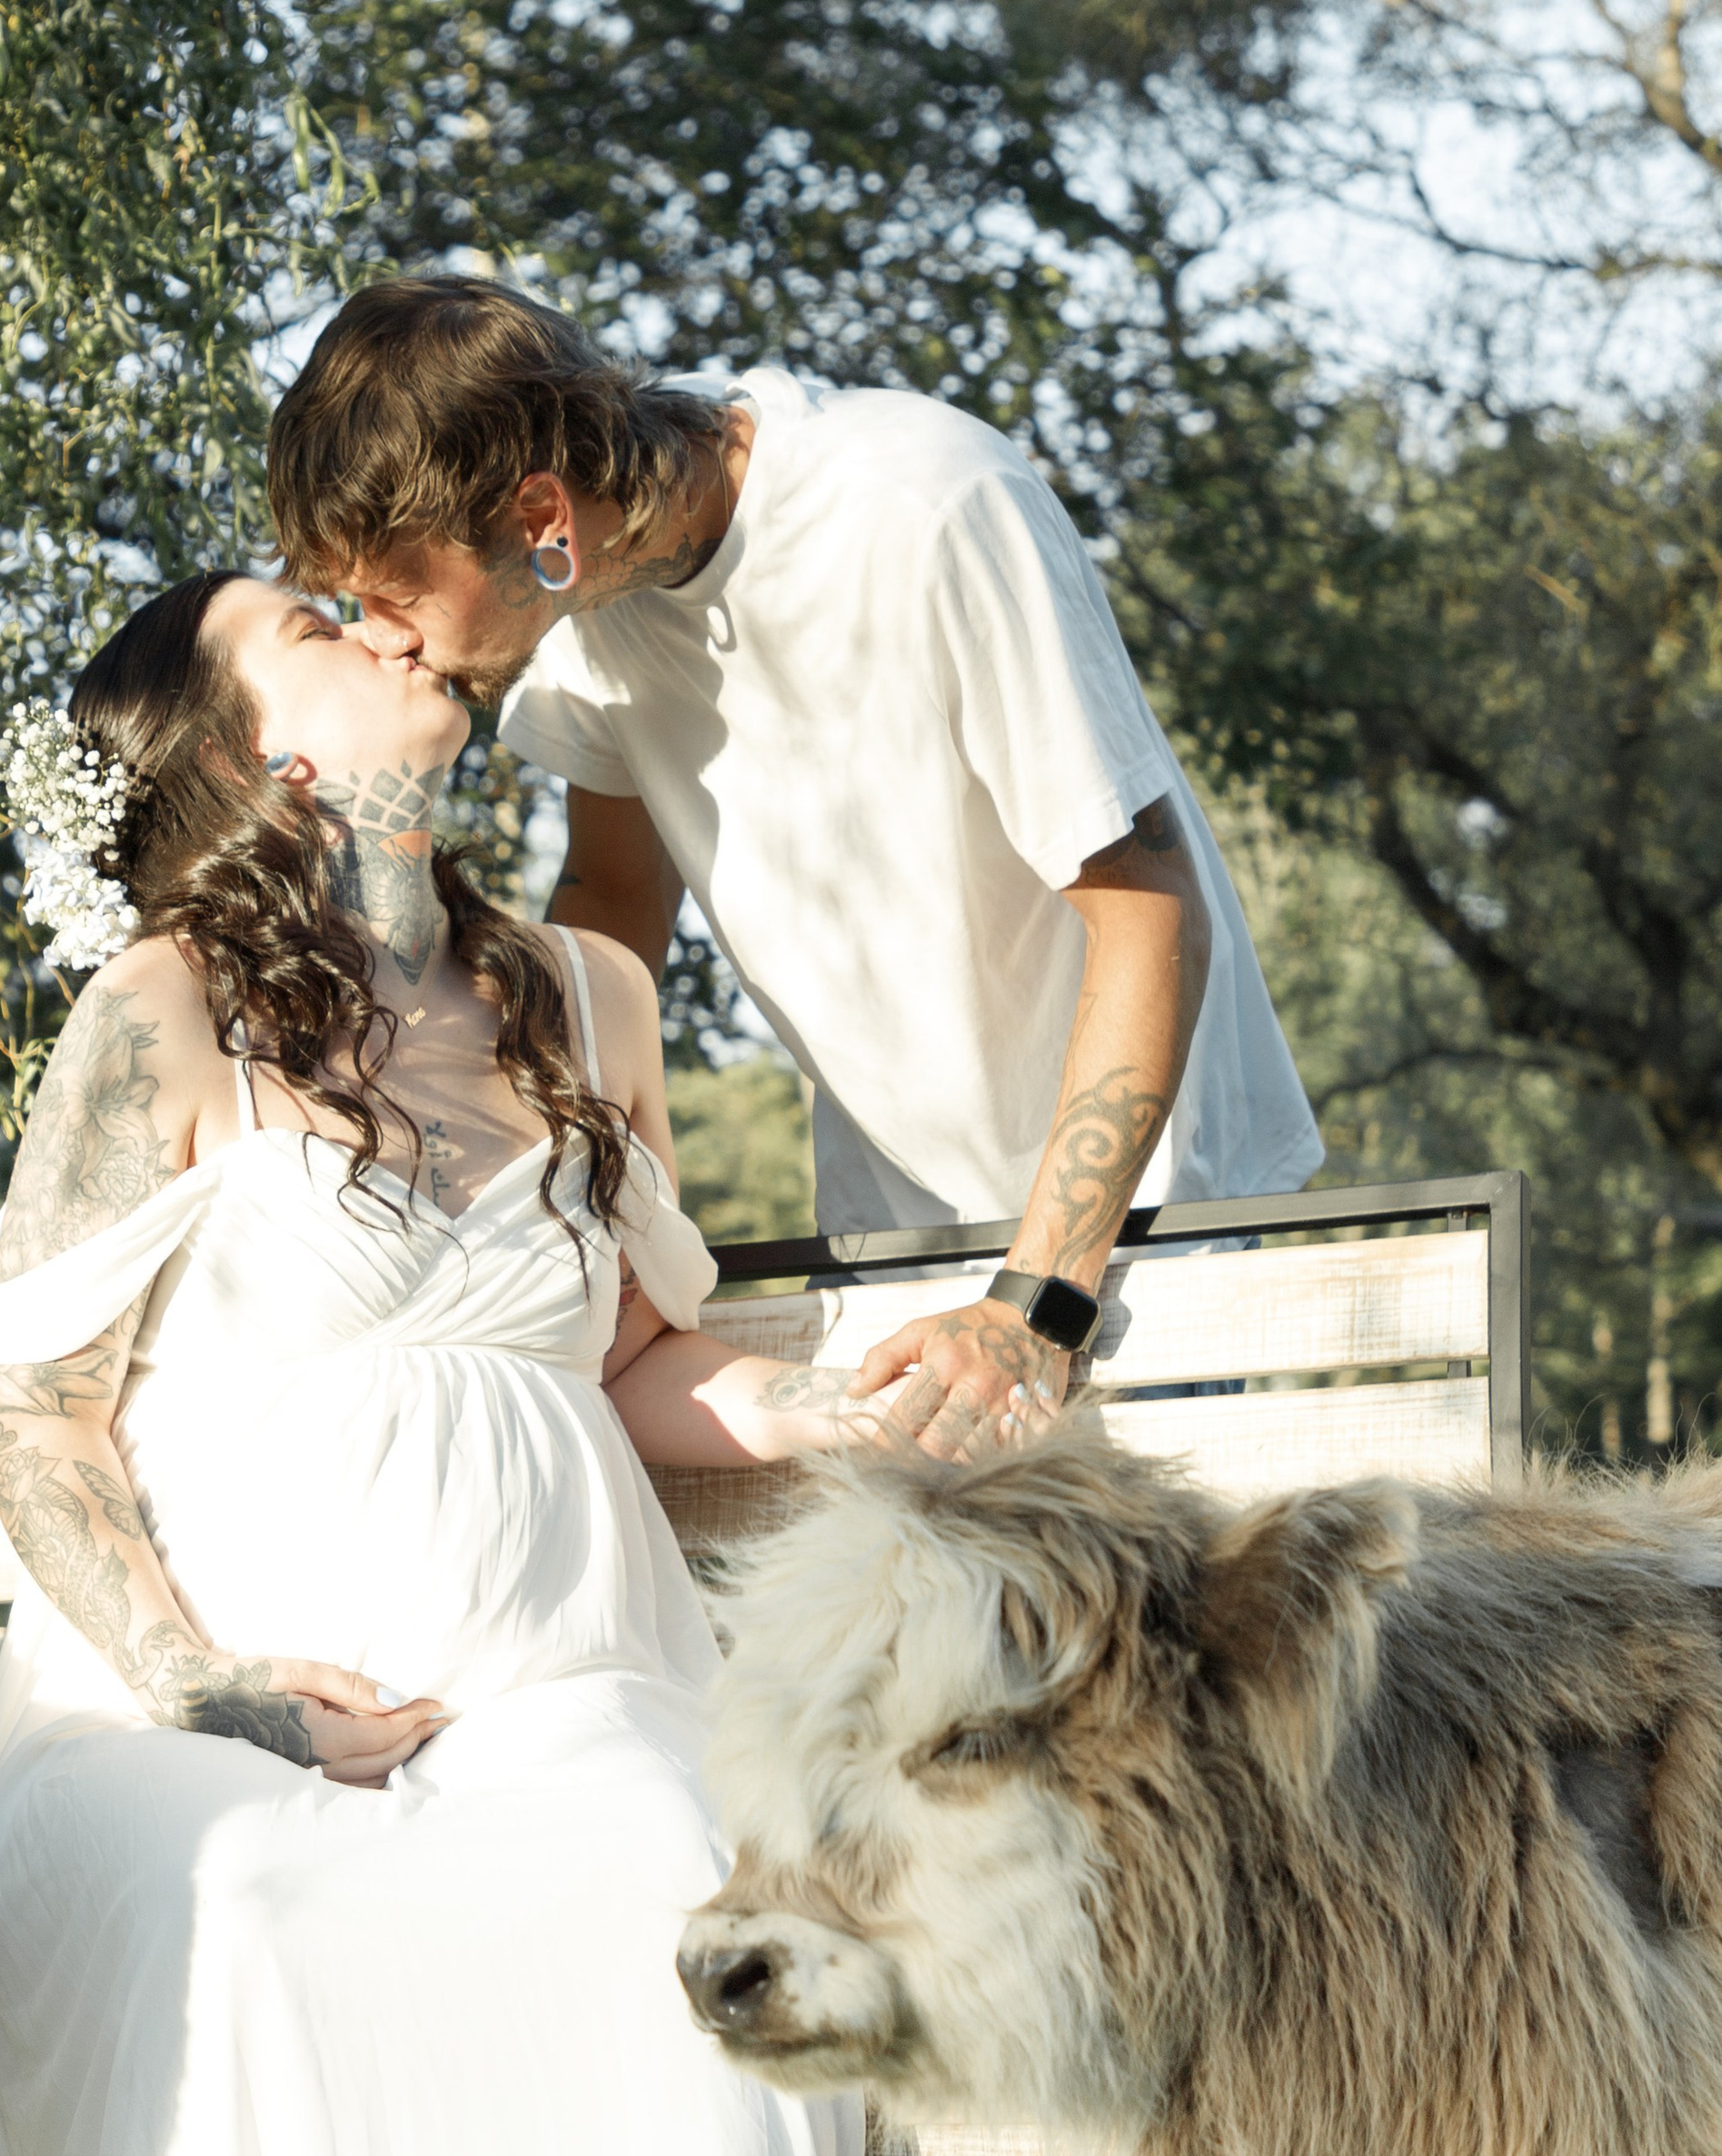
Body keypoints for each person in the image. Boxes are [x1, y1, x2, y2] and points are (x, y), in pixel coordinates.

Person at [0, 569, 890, 2156]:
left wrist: (850, 1407)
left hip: (558, 1675)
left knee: (668, 1896)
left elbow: (636, 1366)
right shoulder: (164, 1014)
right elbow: (36, 1415)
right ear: (259, 748)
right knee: (272, 1935)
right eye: (316, 616)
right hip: (192, 1728)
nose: (389, 617)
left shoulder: (586, 995)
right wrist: (208, 1682)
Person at [267, 277, 1323, 1458]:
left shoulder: (929, 505)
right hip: (899, 1249)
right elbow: (613, 914)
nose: (371, 634)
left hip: (1130, 1235)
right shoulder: (589, 615)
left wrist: (1041, 1304)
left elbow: (1147, 910)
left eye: (390, 591)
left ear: (543, 518)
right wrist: (527, 1206)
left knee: (1135, 1636)